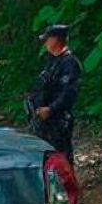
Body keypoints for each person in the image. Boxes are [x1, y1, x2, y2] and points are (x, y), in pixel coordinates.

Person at [26, 24, 82, 163]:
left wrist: (51, 109)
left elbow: (69, 92)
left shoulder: (69, 63)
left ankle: (66, 183)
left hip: (57, 119)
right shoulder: (53, 61)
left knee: (60, 155)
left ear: (55, 40)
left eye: (47, 39)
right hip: (44, 120)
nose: (45, 43)